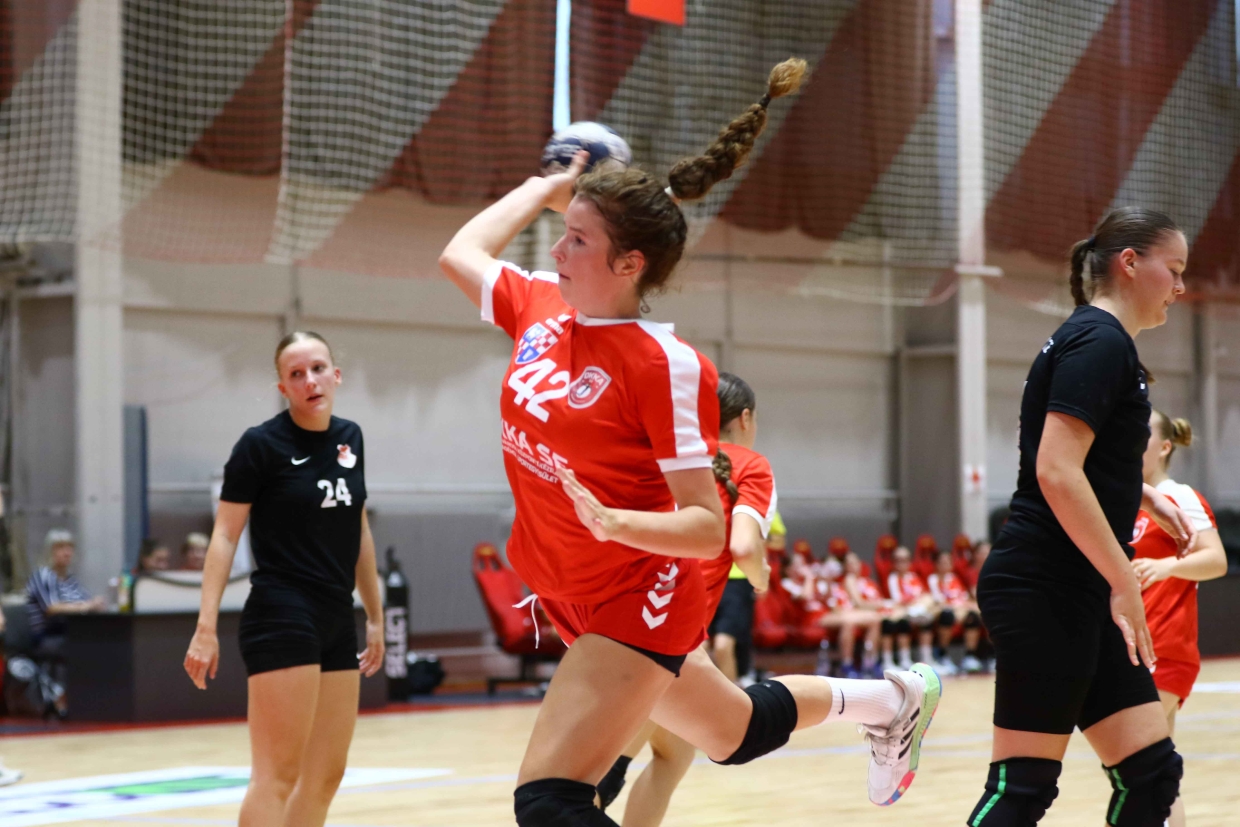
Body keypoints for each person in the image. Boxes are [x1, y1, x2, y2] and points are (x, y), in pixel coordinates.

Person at [439, 58, 941, 823]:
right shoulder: (539, 306)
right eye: (562, 235)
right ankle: (891, 697)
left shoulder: (665, 364)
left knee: (549, 799)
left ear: (628, 263)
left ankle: (888, 699)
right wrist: (549, 185)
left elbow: (708, 526)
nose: (556, 252)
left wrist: (616, 522)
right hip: (569, 587)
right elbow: (460, 254)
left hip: (634, 591)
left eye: (576, 240)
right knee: (731, 731)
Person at [969, 207, 1199, 827]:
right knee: (1022, 789)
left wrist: (1138, 493)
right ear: (1130, 263)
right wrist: (1125, 580)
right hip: (1046, 586)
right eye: (1174, 269)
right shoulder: (1100, 341)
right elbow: (1054, 469)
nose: (1181, 287)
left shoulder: (1098, 341)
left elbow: (1074, 456)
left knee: (1152, 777)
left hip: (1078, 588)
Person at [183, 332, 384, 827]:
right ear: (283, 388)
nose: (309, 381)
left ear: (336, 375)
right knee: (278, 775)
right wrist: (205, 627)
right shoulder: (260, 446)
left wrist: (375, 617)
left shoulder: (351, 438)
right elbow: (224, 536)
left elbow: (358, 528)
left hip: (337, 615)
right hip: (282, 613)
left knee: (325, 776)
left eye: (318, 369)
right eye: (296, 374)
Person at [595, 371, 777, 825]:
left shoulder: (667, 459)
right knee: (601, 768)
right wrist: (761, 575)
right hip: (663, 630)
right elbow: (744, 547)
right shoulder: (749, 464)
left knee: (674, 751)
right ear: (745, 418)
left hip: (626, 613)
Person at [1131, 411, 1227, 827]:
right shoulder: (1129, 501)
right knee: (1153, 772)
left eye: (1142, 433)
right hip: (1138, 648)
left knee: (1135, 765)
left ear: (1165, 446)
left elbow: (1216, 560)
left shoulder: (1179, 496)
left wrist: (1166, 566)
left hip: (1166, 646)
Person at [926, 549, 983, 674]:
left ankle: (970, 656)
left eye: (948, 562)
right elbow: (939, 601)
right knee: (947, 615)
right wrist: (959, 606)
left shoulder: (953, 578)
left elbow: (963, 597)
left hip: (959, 609)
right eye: (943, 562)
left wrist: (967, 606)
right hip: (943, 611)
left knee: (972, 616)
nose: (946, 565)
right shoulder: (933, 579)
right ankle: (942, 656)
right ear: (936, 564)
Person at [885, 546, 936, 669]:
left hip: (917, 608)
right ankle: (904, 659)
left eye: (905, 560)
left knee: (928, 614)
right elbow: (898, 600)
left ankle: (927, 658)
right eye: (898, 560)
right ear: (893, 562)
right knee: (903, 621)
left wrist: (920, 602)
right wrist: (916, 602)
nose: (902, 564)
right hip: (903, 610)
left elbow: (922, 593)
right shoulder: (893, 578)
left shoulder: (913, 577)